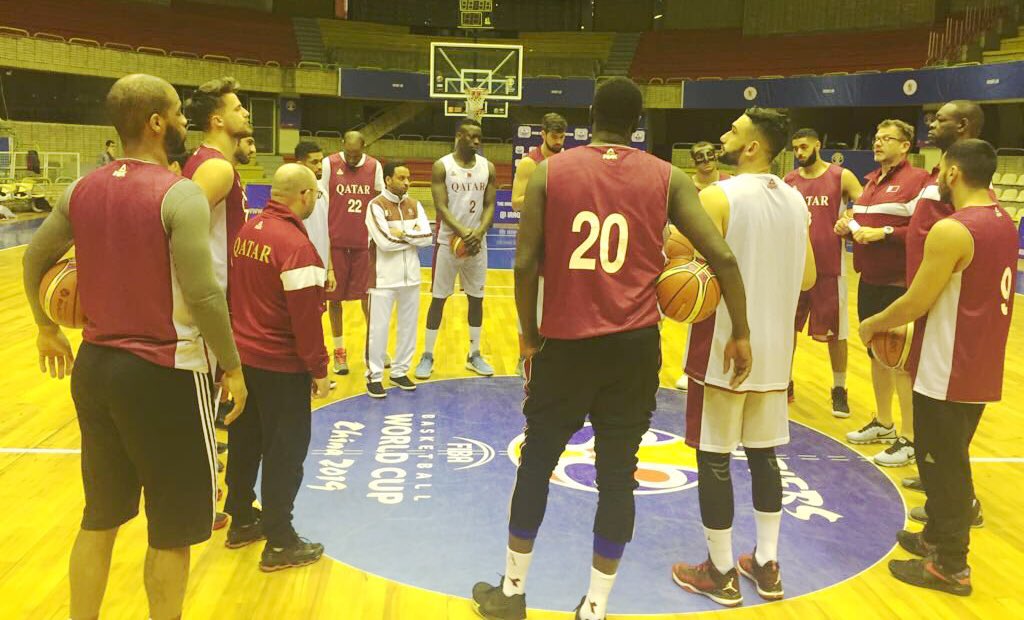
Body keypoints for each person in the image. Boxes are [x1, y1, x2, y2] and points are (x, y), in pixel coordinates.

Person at [471, 77, 750, 620]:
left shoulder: (551, 170)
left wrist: (528, 332)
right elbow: (723, 257)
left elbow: (525, 262)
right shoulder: (667, 177)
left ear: (589, 114)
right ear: (639, 121)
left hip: (566, 346)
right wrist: (739, 330)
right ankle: (595, 609)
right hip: (634, 350)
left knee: (537, 464)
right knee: (618, 476)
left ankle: (511, 593)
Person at [21, 74, 246, 620]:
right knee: (171, 530)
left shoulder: (82, 188)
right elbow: (202, 292)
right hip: (163, 373)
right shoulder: (179, 194)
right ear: (155, 123)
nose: (185, 122)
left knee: (99, 518)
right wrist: (234, 367)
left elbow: (33, 260)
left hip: (95, 368)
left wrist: (45, 326)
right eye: (177, 113)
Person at [670, 109, 815, 607]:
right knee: (762, 453)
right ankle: (768, 564)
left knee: (713, 457)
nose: (724, 134)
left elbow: (678, 261)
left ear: (752, 147)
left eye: (733, 130)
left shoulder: (717, 196)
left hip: (726, 345)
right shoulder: (797, 200)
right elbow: (809, 279)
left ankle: (721, 571)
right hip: (776, 351)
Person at [859, 139, 1016, 597]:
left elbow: (915, 301)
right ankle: (935, 538)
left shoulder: (954, 230)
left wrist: (874, 323)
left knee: (942, 468)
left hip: (949, 364)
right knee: (949, 459)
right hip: (981, 360)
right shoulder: (1003, 219)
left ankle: (951, 565)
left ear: (951, 173)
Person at [224, 163, 331, 571]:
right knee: (285, 452)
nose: (314, 202)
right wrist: (318, 369)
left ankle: (241, 519)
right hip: (282, 366)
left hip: (243, 361)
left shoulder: (246, 233)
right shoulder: (297, 248)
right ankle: (280, 540)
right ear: (303, 195)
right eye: (315, 196)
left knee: (246, 441)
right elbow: (306, 322)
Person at [900, 101, 987, 507]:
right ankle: (940, 484)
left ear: (963, 125)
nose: (931, 125)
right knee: (934, 415)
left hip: (943, 309)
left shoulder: (965, 184)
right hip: (926, 304)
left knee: (945, 417)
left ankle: (959, 500)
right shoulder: (940, 174)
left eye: (941, 120)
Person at [835, 119, 930, 467]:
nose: (877, 143)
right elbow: (864, 229)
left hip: (899, 284)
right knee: (877, 354)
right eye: (876, 138)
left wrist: (886, 231)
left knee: (901, 362)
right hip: (869, 280)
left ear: (906, 146)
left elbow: (924, 230)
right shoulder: (870, 182)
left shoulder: (919, 181)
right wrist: (847, 228)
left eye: (887, 139)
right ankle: (884, 422)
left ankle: (910, 438)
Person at [784, 127, 863, 415]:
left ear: (818, 144)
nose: (799, 153)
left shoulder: (841, 176)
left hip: (830, 267)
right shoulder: (789, 181)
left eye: (804, 146)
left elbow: (866, 203)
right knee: (786, 329)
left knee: (837, 333)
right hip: (794, 268)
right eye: (795, 148)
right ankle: (785, 381)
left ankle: (839, 388)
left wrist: (851, 215)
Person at [415, 117, 497, 380]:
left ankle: (474, 353)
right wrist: (464, 233)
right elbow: (441, 206)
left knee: (477, 299)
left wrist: (479, 233)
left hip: (477, 245)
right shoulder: (443, 166)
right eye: (472, 137)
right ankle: (427, 354)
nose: (476, 142)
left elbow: (490, 205)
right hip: (448, 244)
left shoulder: (488, 167)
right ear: (459, 136)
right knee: (439, 299)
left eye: (479, 138)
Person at [364, 161, 433, 398]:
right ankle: (374, 376)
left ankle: (400, 371)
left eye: (408, 178)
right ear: (388, 180)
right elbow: (383, 242)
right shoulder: (375, 206)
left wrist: (403, 233)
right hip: (382, 279)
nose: (406, 182)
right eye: (401, 178)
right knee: (378, 330)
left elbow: (427, 237)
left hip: (411, 277)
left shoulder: (415, 204)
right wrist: (414, 236)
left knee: (408, 329)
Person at [320, 131, 385, 375]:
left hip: (362, 243)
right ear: (342, 146)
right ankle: (339, 351)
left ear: (363, 147)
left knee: (367, 299)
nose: (351, 158)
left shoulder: (374, 166)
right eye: (348, 153)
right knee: (334, 300)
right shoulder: (329, 164)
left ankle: (374, 348)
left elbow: (379, 202)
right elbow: (321, 201)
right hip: (334, 243)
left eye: (356, 154)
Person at [672, 140, 734, 391]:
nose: (706, 160)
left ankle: (725, 367)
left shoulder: (729, 184)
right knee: (698, 315)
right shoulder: (686, 187)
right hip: (694, 258)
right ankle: (691, 368)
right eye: (701, 157)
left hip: (725, 253)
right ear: (692, 161)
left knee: (729, 315)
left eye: (710, 155)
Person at [510, 113, 567, 378]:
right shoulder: (529, 164)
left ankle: (555, 354)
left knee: (559, 302)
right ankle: (524, 356)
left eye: (562, 136)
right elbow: (516, 201)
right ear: (542, 134)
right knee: (530, 301)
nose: (558, 141)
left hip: (562, 240)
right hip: (534, 239)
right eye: (554, 136)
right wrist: (547, 193)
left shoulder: (569, 161)